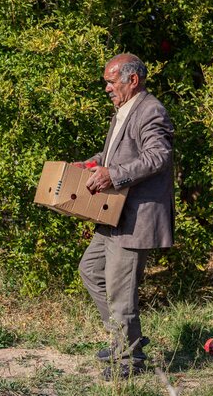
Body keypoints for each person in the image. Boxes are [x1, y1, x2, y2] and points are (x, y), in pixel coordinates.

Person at [77, 53, 174, 380]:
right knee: (90, 269)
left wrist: (113, 175)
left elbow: (157, 156)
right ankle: (128, 340)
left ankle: (128, 361)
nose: (107, 87)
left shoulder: (151, 110)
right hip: (114, 214)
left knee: (121, 291)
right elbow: (112, 156)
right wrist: (91, 166)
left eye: (111, 81)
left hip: (135, 219)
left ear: (133, 80)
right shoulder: (123, 111)